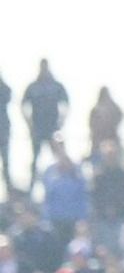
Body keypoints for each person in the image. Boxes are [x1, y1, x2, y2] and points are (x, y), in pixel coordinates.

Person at [21, 59, 69, 191]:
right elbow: (23, 104)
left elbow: (66, 103)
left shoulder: (55, 86)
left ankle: (62, 186)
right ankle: (31, 189)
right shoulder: (33, 87)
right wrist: (29, 123)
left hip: (53, 128)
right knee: (35, 159)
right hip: (38, 129)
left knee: (59, 157)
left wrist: (62, 121)